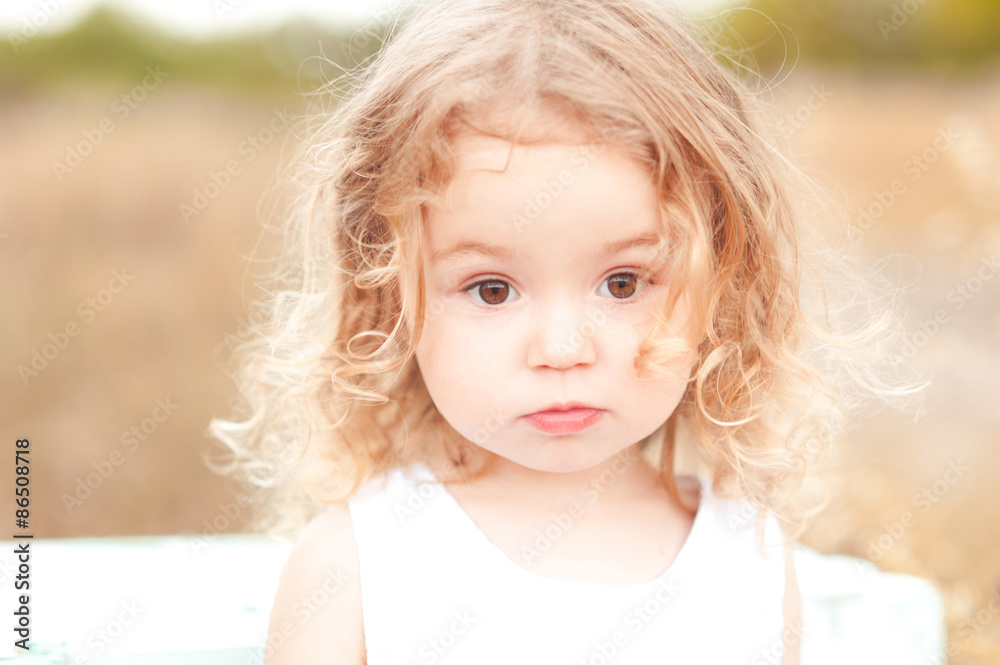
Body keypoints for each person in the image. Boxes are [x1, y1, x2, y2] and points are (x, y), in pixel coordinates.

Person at [208, 0, 927, 662]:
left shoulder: (751, 562)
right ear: (388, 291)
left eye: (622, 283)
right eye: (492, 289)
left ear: (722, 286)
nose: (561, 348)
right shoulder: (357, 563)